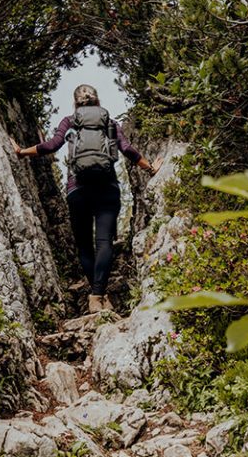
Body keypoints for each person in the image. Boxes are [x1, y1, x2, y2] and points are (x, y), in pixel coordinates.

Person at [12, 84, 158, 313]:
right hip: (107, 187)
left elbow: (51, 146)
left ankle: (96, 295)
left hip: (77, 190)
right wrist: (150, 167)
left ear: (76, 102)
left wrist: (22, 152)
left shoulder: (69, 122)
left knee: (84, 246)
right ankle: (98, 294)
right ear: (97, 101)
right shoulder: (109, 122)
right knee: (104, 242)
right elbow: (127, 150)